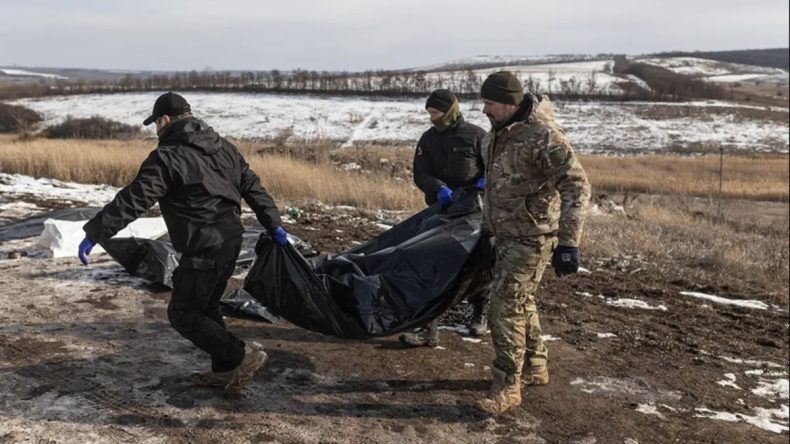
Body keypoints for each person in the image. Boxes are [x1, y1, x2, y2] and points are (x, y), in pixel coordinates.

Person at [77, 92, 289, 393]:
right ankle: (226, 370)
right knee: (206, 307)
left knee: (184, 314)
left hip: (203, 245)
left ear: (164, 120)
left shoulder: (167, 156)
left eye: (155, 124)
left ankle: (241, 355)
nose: (156, 131)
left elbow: (136, 198)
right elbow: (254, 189)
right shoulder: (224, 148)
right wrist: (275, 225)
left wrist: (95, 232)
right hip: (231, 239)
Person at [474, 72, 591, 415]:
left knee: (503, 306)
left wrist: (569, 243)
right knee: (520, 301)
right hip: (506, 235)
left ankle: (507, 384)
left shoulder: (544, 137)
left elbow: (577, 187)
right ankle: (535, 366)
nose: (484, 110)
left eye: (490, 103)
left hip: (534, 236)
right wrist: (486, 232)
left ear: (510, 103)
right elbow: (494, 189)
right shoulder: (496, 136)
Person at [400, 89, 489, 347]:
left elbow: (493, 166)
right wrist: (436, 187)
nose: (432, 118)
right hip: (441, 212)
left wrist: (485, 181)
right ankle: (428, 326)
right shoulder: (427, 140)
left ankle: (479, 314)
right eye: (429, 113)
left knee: (479, 263)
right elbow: (420, 173)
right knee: (433, 266)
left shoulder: (476, 136)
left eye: (437, 112)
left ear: (450, 111)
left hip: (474, 213)